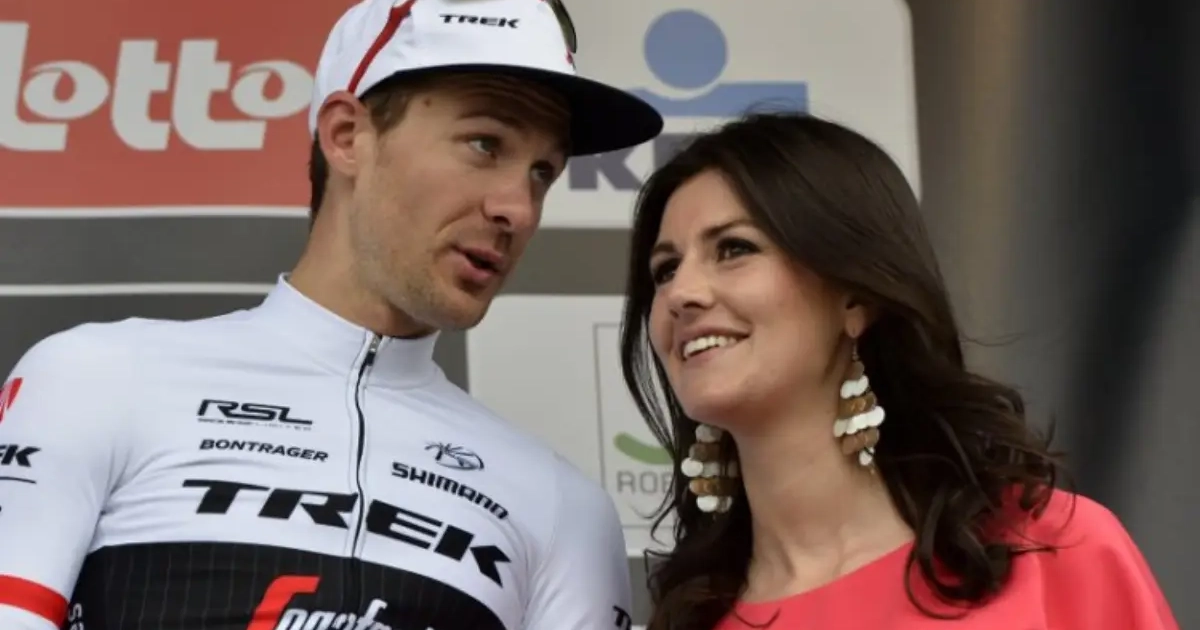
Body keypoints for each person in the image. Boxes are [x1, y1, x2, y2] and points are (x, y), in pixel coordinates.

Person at [0, 0, 662, 628]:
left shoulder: (563, 507)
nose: (517, 207)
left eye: (543, 172)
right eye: (486, 145)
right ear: (347, 136)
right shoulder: (97, 378)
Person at [617, 111, 1179, 629]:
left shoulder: (1050, 550)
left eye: (734, 249)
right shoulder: (688, 618)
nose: (681, 293)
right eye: (665, 270)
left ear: (856, 297)